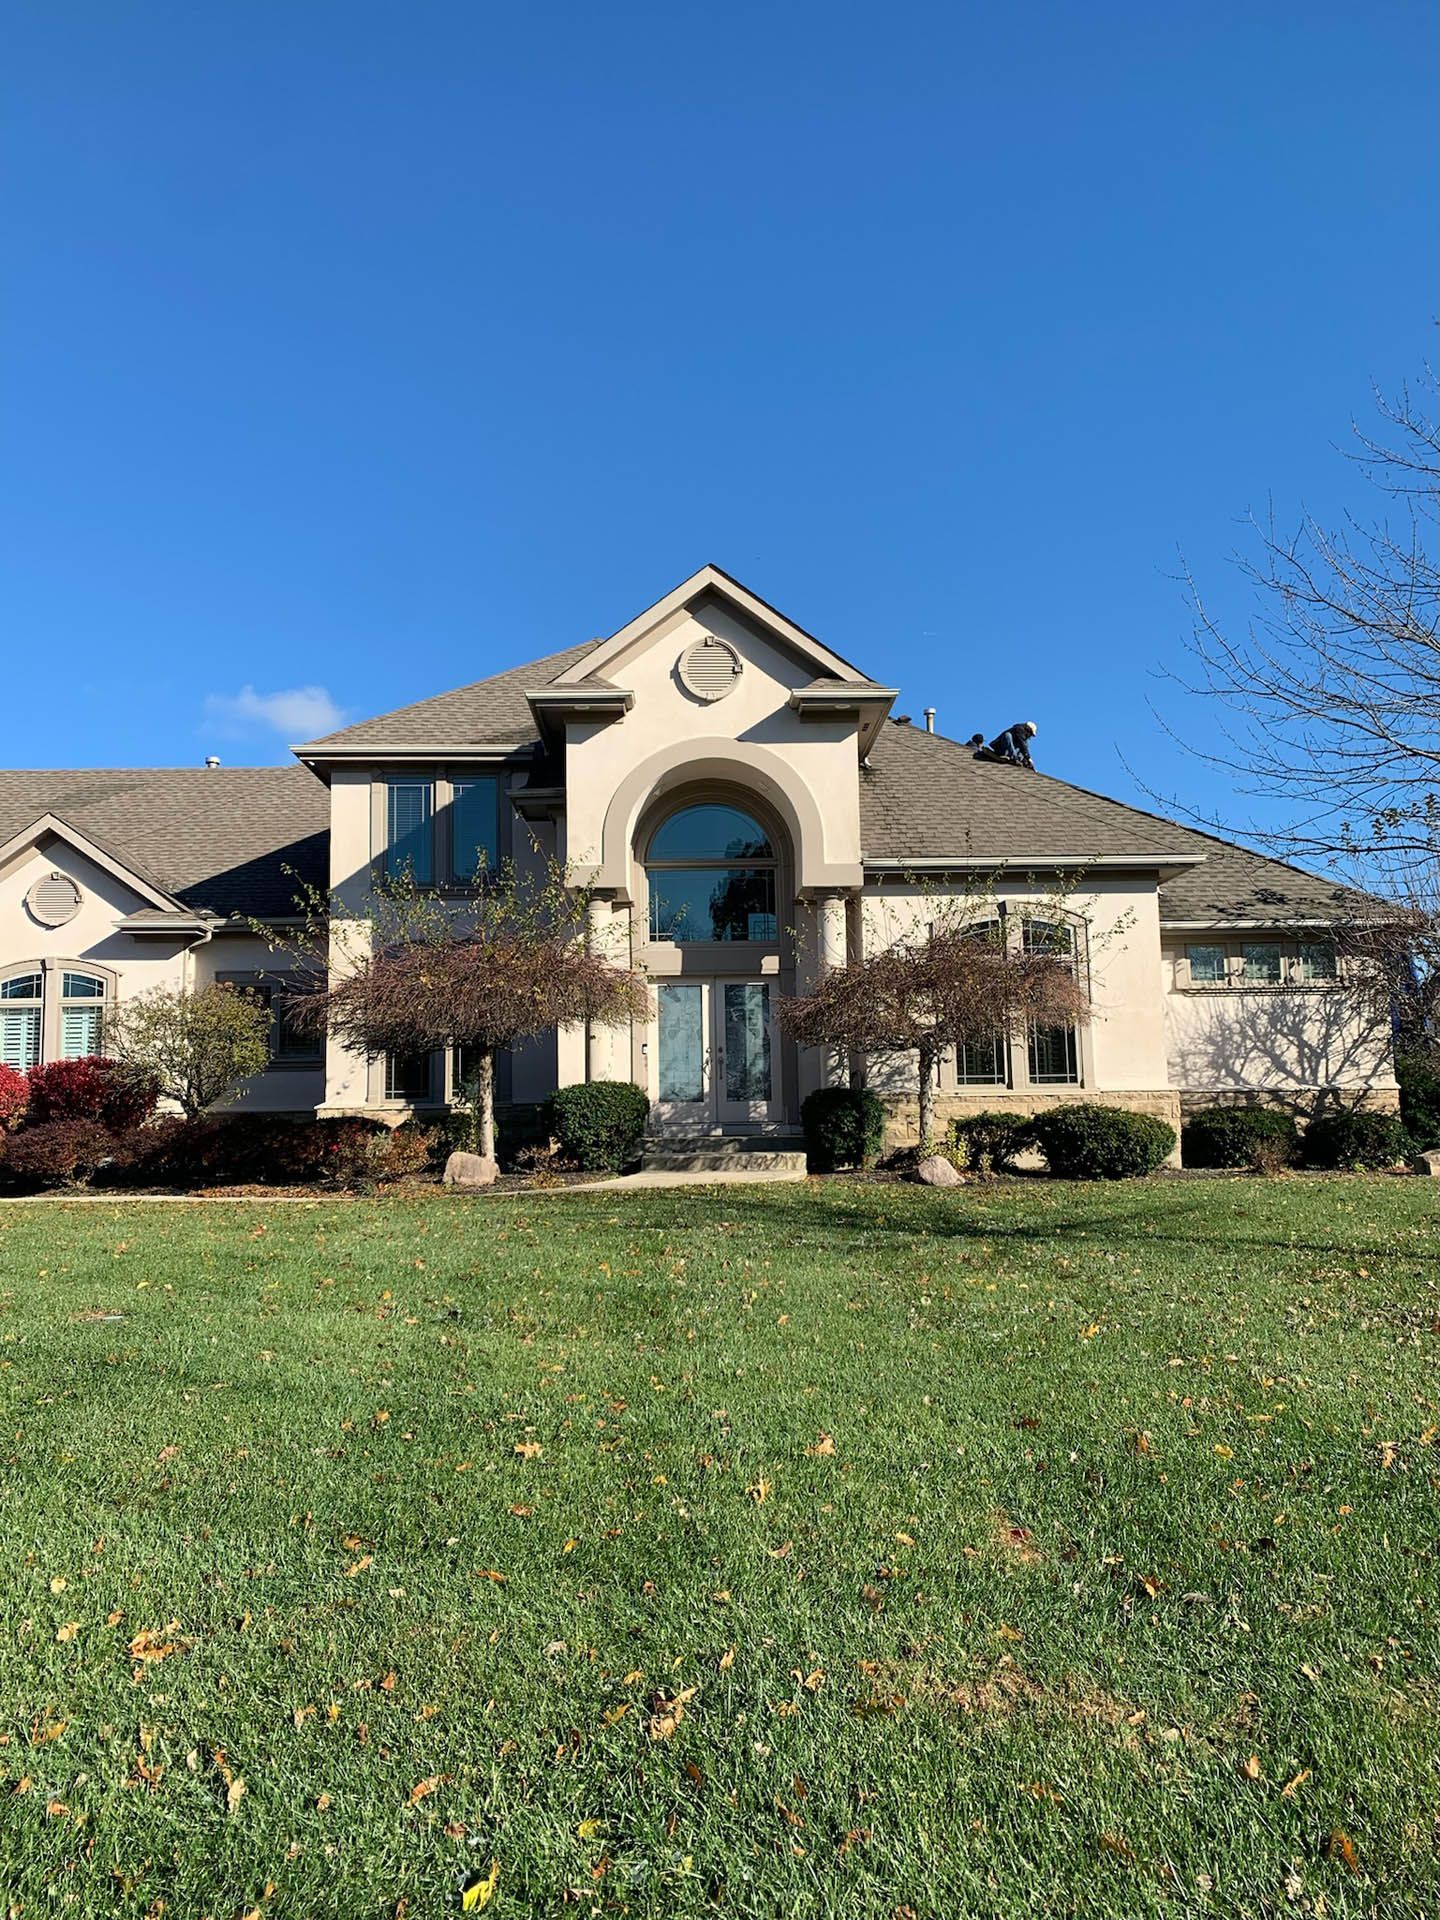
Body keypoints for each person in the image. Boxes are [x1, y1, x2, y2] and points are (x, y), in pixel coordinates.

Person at [973, 721, 1038, 769]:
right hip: (1001, 750)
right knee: (1008, 735)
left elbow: (1023, 746)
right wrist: (1027, 757)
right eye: (1031, 734)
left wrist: (1027, 760)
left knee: (1025, 744)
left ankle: (1020, 760)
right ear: (1028, 730)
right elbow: (1022, 744)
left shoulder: (1023, 738)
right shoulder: (1019, 730)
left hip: (1011, 753)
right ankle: (1014, 758)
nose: (1030, 736)